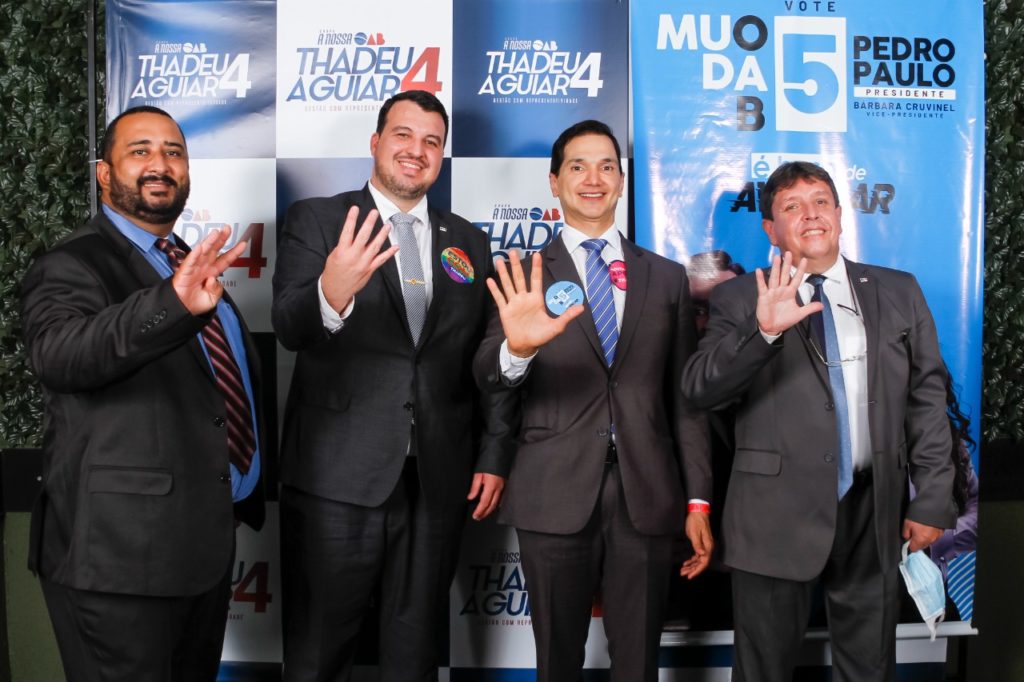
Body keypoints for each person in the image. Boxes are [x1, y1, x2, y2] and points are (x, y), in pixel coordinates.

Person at [272, 90, 513, 682]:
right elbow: (289, 327)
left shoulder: (468, 242)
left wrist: (493, 452)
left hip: (436, 480)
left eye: (432, 141)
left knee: (414, 655)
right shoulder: (320, 219)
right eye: (404, 135)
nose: (417, 150)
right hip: (335, 477)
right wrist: (330, 292)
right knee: (318, 652)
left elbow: (482, 359)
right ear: (376, 142)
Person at [682, 161, 956, 680]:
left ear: (839, 214)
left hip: (873, 511)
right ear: (771, 229)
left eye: (821, 201)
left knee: (869, 668)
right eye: (792, 206)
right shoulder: (739, 297)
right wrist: (763, 333)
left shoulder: (898, 290)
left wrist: (933, 498)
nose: (811, 214)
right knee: (763, 670)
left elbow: (927, 399)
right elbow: (700, 389)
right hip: (773, 514)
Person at [20, 105, 265, 682]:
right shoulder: (71, 262)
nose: (160, 163)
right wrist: (172, 303)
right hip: (118, 561)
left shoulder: (187, 265)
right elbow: (60, 357)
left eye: (174, 152)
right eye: (140, 151)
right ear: (104, 173)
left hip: (201, 551)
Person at [473, 120, 713, 682]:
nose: (593, 178)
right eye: (577, 166)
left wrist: (698, 500)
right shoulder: (522, 276)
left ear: (622, 182)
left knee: (638, 664)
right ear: (554, 182)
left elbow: (686, 401)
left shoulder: (666, 278)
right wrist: (516, 349)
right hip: (552, 492)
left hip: (646, 494)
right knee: (557, 663)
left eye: (607, 166)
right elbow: (487, 375)